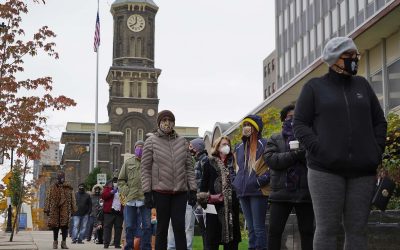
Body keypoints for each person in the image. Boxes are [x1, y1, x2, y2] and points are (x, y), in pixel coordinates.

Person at [293, 37, 387, 250]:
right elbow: (299, 123)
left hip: (363, 171)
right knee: (327, 229)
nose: (355, 60)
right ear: (335, 60)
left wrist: (376, 150)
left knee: (358, 230)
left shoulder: (362, 85)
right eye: (350, 56)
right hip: (325, 170)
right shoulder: (314, 88)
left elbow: (379, 121)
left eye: (356, 56)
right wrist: (319, 149)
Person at [141, 110, 197, 250]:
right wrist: (147, 192)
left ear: (173, 123)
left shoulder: (182, 142)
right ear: (159, 123)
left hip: (180, 192)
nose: (167, 123)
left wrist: (193, 190)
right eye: (164, 120)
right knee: (162, 228)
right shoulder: (151, 141)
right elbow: (145, 169)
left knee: (179, 227)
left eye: (170, 120)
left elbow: (189, 168)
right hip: (160, 191)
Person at [265, 104, 314, 250]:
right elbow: (271, 160)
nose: (293, 121)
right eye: (290, 117)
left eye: (296, 117)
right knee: (274, 231)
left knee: (307, 231)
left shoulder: (309, 138)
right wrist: (294, 155)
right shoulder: (274, 138)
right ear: (283, 120)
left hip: (304, 193)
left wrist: (303, 152)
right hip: (281, 193)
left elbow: (316, 159)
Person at [232, 114, 270, 250]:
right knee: (251, 228)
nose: (246, 128)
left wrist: (260, 182)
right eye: (244, 125)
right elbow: (234, 169)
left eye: (249, 125)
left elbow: (271, 168)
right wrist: (235, 183)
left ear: (256, 128)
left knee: (259, 227)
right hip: (242, 192)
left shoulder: (264, 144)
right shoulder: (238, 147)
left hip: (258, 191)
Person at [197, 136, 241, 250]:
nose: (226, 146)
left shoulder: (234, 162)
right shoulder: (209, 163)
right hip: (214, 205)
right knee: (212, 240)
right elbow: (203, 185)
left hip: (232, 207)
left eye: (228, 144)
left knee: (232, 242)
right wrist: (204, 200)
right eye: (223, 144)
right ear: (217, 147)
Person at [167, 138, 206, 250]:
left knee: (189, 226)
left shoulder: (195, 160)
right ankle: (171, 247)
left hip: (190, 198)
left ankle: (187, 247)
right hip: (176, 196)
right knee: (172, 225)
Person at [118, 140, 152, 250]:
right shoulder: (128, 162)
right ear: (134, 148)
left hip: (145, 199)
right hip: (130, 199)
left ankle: (146, 247)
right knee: (129, 226)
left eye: (142, 147)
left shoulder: (150, 162)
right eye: (138, 147)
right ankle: (129, 247)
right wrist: (126, 192)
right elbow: (121, 180)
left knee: (147, 226)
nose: (140, 149)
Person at [44, 171, 76, 249]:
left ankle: (63, 243)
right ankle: (55, 242)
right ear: (57, 178)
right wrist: (47, 209)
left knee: (64, 227)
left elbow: (73, 199)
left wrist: (73, 209)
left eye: (62, 176)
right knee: (55, 227)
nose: (61, 178)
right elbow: (48, 198)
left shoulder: (69, 188)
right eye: (59, 176)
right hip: (55, 210)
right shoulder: (52, 187)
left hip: (65, 209)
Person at [102, 177, 124, 248]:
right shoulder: (108, 188)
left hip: (119, 212)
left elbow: (124, 200)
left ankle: (117, 244)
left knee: (118, 228)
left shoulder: (122, 189)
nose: (116, 182)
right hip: (109, 211)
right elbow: (103, 196)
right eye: (114, 181)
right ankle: (106, 244)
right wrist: (111, 192)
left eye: (117, 181)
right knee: (107, 228)